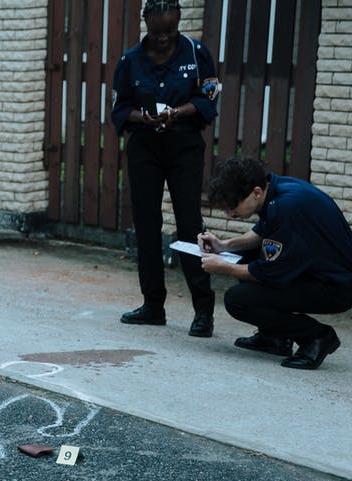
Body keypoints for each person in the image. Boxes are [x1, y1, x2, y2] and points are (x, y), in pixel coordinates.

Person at [111, 0, 220, 337]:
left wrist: (180, 111)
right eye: (156, 32)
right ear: (145, 23)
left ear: (179, 23)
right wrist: (142, 117)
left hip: (184, 146)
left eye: (169, 32)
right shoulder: (129, 61)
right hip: (144, 147)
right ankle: (152, 305)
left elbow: (209, 99)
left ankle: (203, 311)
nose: (162, 39)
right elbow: (120, 108)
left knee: (190, 225)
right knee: (146, 223)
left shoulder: (196, 52)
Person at [198, 156, 352, 370]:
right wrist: (224, 246)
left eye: (233, 206)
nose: (230, 214)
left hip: (338, 287)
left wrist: (225, 268)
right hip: (319, 273)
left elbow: (267, 273)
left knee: (237, 300)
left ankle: (317, 337)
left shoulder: (288, 206)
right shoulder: (278, 188)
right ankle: (274, 337)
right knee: (246, 256)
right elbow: (263, 233)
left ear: (256, 192)